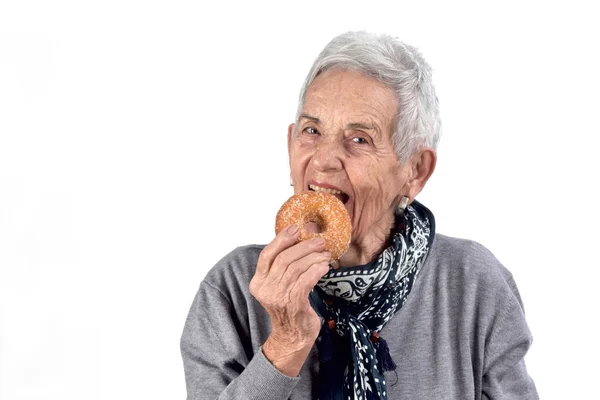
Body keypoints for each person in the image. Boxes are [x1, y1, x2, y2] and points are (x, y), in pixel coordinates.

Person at [180, 31, 538, 400]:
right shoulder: (234, 288)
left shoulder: (471, 283)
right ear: (290, 143)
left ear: (415, 170)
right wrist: (285, 345)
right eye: (312, 130)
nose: (322, 159)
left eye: (359, 139)